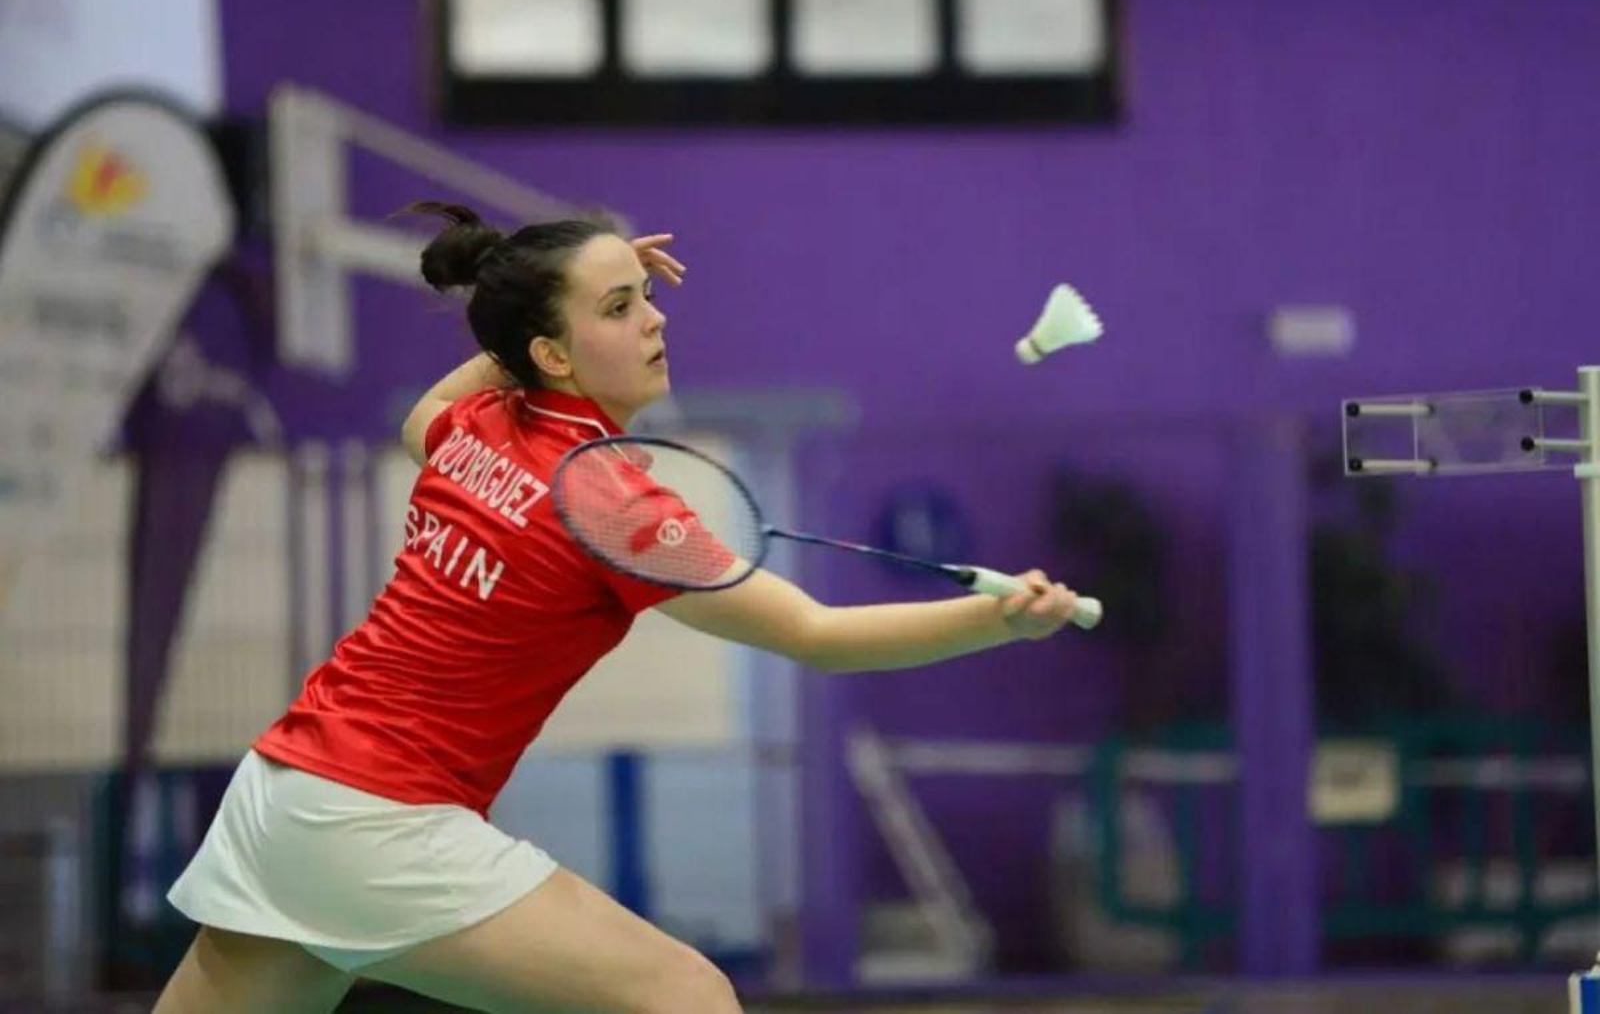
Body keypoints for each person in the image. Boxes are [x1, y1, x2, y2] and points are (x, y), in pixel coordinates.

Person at [152, 203, 1083, 1014]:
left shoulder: (474, 424)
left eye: (644, 293)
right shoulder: (612, 505)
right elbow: (817, 635)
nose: (653, 318)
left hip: (282, 793)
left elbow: (423, 414)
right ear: (550, 353)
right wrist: (999, 619)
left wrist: (548, 307)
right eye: (619, 306)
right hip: (380, 822)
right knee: (687, 997)